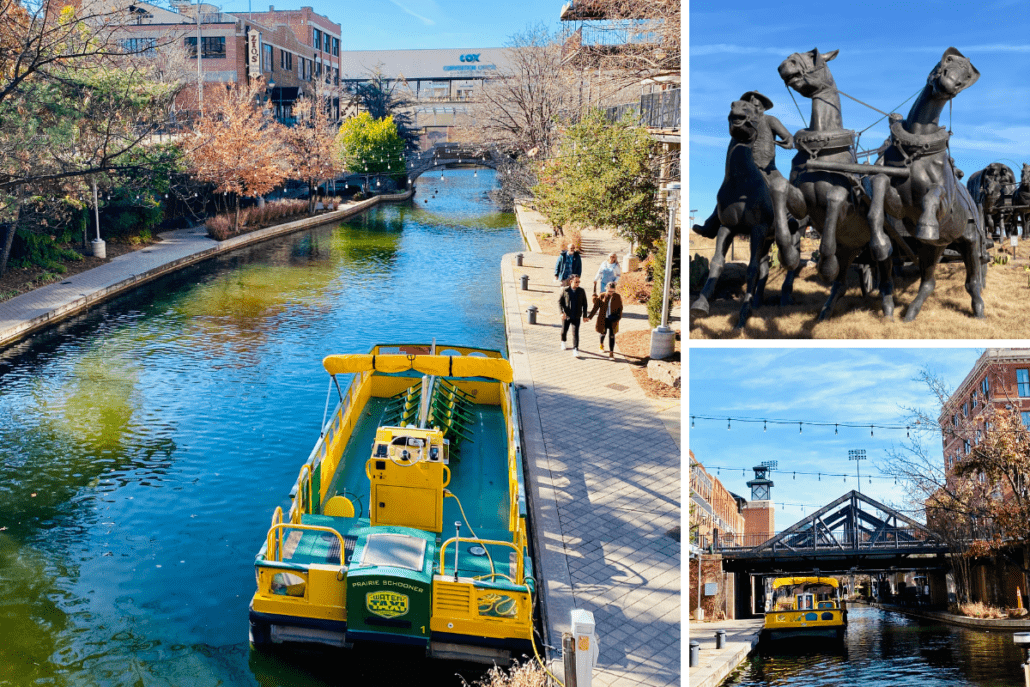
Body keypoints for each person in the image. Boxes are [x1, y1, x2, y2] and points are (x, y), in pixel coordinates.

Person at [588, 280, 623, 359]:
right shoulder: (602, 296)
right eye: (609, 291)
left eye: (612, 291)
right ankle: (601, 344)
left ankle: (611, 353)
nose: (611, 293)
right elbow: (595, 307)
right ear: (606, 288)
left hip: (613, 319)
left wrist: (618, 318)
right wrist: (589, 317)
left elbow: (620, 309)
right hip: (603, 319)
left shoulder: (617, 296)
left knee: (612, 335)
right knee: (603, 333)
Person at [558, 275, 589, 357]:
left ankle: (575, 349)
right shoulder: (565, 290)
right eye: (576, 282)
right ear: (571, 281)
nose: (578, 283)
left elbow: (585, 304)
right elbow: (560, 302)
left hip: (576, 316)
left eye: (579, 282)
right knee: (564, 330)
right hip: (567, 315)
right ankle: (563, 341)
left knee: (575, 333)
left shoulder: (581, 291)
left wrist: (585, 315)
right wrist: (561, 312)